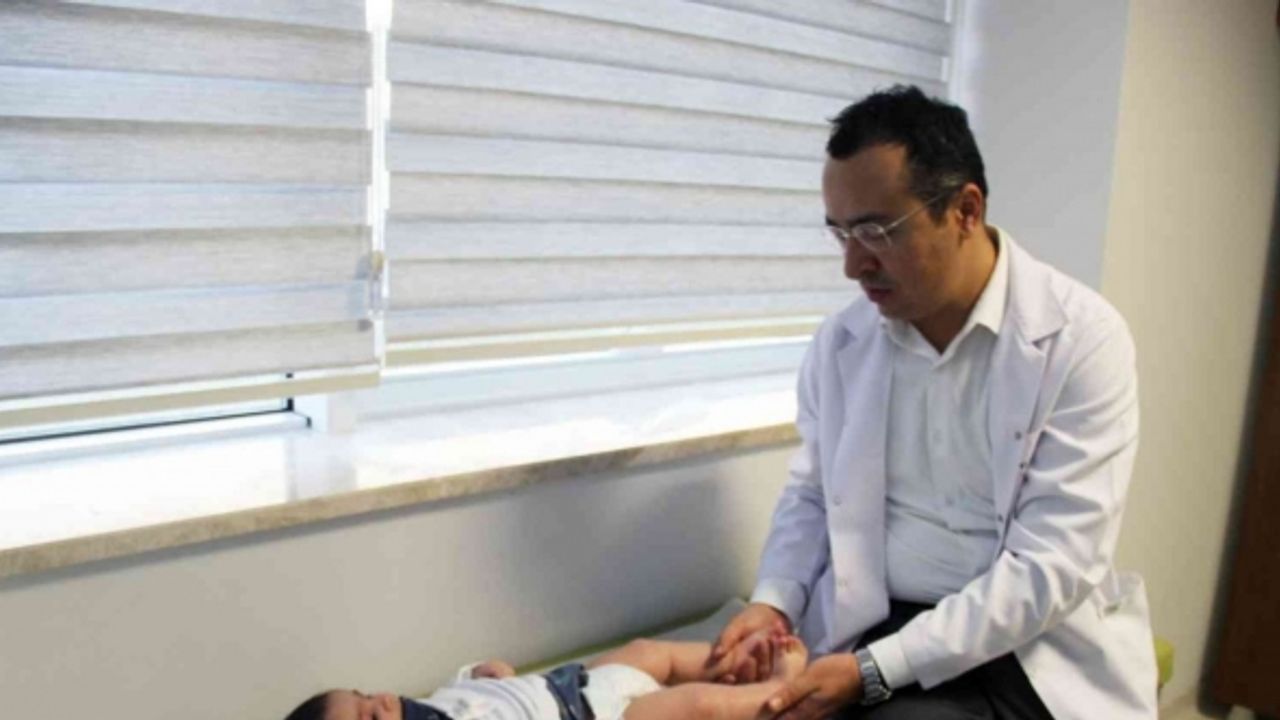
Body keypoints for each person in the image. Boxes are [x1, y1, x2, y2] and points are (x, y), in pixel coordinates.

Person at [710, 85, 1158, 719]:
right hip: (874, 617)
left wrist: (873, 671)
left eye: (875, 231)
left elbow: (1051, 566)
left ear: (965, 210)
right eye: (841, 233)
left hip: (1022, 647)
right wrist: (774, 603)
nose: (853, 265)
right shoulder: (842, 343)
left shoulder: (1081, 340)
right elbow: (812, 495)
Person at [283, 626, 807, 720]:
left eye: (365, 696)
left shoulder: (437, 702)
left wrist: (485, 672)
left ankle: (736, 660)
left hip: (570, 683)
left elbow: (466, 688)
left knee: (649, 652)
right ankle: (776, 691)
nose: (380, 704)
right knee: (696, 708)